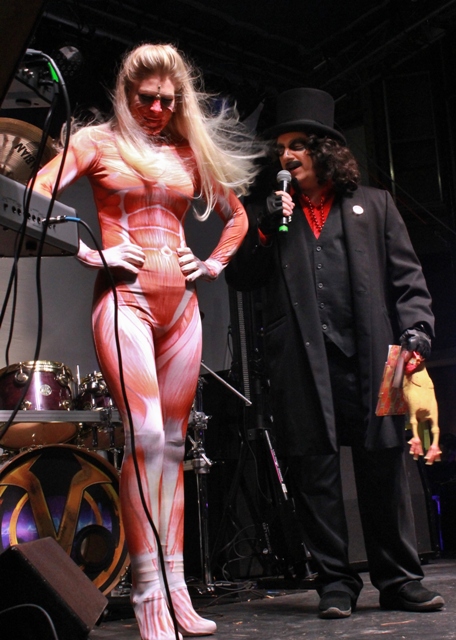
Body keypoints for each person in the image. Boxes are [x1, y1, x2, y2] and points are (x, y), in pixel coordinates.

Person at [35, 43, 262, 640]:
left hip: (181, 309)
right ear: (124, 93)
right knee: (146, 438)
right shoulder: (96, 142)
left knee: (173, 447)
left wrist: (211, 265)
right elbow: (32, 198)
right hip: (125, 301)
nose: (158, 109)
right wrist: (88, 251)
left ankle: (176, 585)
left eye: (169, 100)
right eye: (147, 98)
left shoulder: (186, 153)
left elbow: (238, 217)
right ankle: (146, 590)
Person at [225, 87, 445, 619]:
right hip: (301, 360)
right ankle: (335, 584)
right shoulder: (269, 213)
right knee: (315, 472)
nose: (286, 156)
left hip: (379, 359)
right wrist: (263, 230)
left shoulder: (376, 205)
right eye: (280, 148)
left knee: (385, 468)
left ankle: (399, 580)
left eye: (297, 145)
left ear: (324, 149)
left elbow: (408, 279)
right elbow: (241, 277)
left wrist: (417, 330)